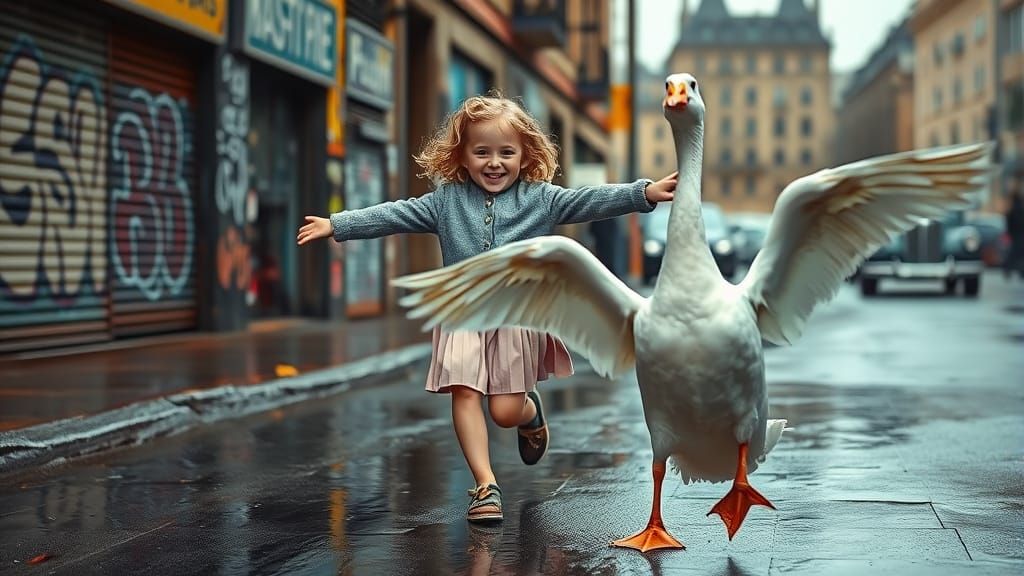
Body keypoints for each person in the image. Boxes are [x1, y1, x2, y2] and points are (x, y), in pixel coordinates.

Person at [296, 91, 677, 523]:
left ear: (524, 154)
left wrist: (643, 192)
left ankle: (529, 412)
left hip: (516, 316)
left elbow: (586, 200)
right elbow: (395, 214)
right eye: (481, 153)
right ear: (461, 155)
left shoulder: (540, 198)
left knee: (504, 412)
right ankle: (484, 486)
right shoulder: (445, 202)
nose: (494, 163)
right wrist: (337, 224)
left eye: (506, 153)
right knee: (464, 390)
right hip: (461, 312)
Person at [1005, 178, 1024, 279]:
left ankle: (1019, 271)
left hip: (1017, 233)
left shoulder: (1015, 207)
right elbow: (1011, 220)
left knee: (1018, 252)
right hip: (1018, 233)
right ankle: (1010, 269)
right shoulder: (1017, 207)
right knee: (1016, 252)